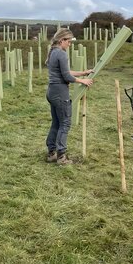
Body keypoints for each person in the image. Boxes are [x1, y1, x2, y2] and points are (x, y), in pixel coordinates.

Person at [45, 29, 93, 164]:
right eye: (69, 42)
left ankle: (51, 153)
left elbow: (66, 71)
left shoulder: (53, 52)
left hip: (51, 92)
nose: (70, 45)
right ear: (62, 40)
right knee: (65, 123)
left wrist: (83, 72)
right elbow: (66, 76)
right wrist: (83, 81)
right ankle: (61, 156)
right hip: (60, 93)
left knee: (56, 123)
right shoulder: (62, 54)